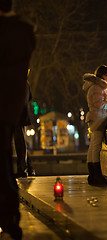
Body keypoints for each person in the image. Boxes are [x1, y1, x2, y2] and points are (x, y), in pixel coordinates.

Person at [0, 0, 35, 239]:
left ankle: (9, 214)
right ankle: (11, 215)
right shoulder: (25, 30)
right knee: (4, 157)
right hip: (11, 102)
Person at [82, 65, 107, 186]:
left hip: (95, 118)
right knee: (96, 146)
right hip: (98, 119)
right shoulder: (97, 88)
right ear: (104, 76)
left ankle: (93, 175)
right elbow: (100, 105)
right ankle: (97, 176)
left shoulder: (95, 87)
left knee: (93, 146)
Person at [14, 80, 35, 178]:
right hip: (21, 114)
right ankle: (28, 168)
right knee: (21, 142)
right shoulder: (25, 83)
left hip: (16, 115)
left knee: (20, 142)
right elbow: (29, 97)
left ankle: (23, 169)